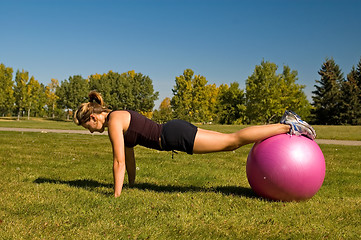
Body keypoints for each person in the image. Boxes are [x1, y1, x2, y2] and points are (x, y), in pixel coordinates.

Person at [74, 91, 316, 197]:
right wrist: (132, 185)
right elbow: (129, 156)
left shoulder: (115, 121)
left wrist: (116, 196)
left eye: (88, 127)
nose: (91, 132)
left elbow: (118, 161)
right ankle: (287, 125)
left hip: (174, 136)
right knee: (230, 140)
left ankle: (289, 126)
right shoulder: (118, 117)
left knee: (232, 142)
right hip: (174, 130)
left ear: (94, 117)